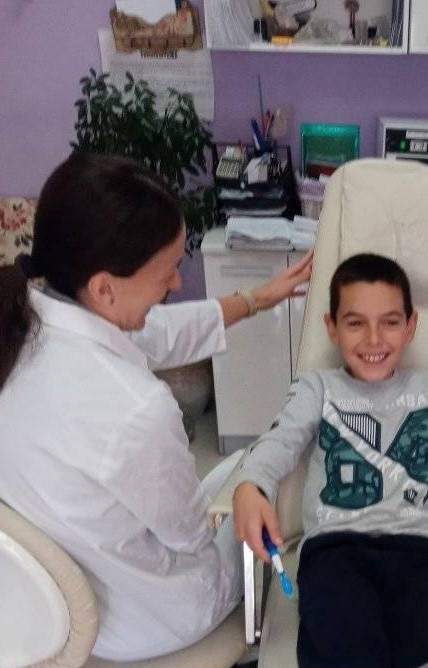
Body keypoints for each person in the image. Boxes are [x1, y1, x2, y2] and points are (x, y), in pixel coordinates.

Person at [0, 152, 313, 661]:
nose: (177, 284)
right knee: (264, 466)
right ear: (104, 288)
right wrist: (252, 483)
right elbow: (190, 535)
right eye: (167, 272)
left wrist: (257, 299)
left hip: (52, 605)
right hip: (154, 618)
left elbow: (156, 332)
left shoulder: (24, 323)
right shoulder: (134, 411)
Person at [233, 252, 428, 668]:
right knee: (345, 650)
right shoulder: (317, 388)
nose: (374, 339)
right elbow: (279, 442)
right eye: (356, 323)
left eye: (390, 322)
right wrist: (250, 486)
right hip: (335, 552)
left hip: (420, 555)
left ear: (410, 326)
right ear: (332, 327)